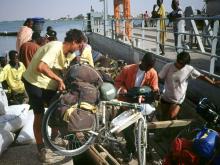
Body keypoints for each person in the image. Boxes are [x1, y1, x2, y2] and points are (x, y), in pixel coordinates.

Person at [22, 29, 84, 163]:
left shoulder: (68, 54)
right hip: (34, 82)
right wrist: (59, 80)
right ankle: (41, 148)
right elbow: (41, 66)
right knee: (39, 115)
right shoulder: (55, 47)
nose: (79, 49)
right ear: (74, 42)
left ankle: (54, 138)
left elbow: (69, 69)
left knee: (57, 109)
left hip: (48, 84)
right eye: (79, 46)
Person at [114, 52, 159, 161]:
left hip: (142, 103)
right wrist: (123, 90)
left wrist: (154, 94)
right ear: (142, 62)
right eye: (147, 66)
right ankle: (130, 149)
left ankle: (146, 150)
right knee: (125, 127)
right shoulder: (128, 69)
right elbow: (118, 82)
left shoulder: (152, 73)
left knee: (144, 128)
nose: (148, 69)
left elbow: (155, 88)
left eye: (150, 67)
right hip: (127, 101)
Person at [158, 51, 219, 120]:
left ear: (186, 64)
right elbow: (159, 77)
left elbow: (201, 76)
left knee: (172, 116)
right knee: (163, 115)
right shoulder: (168, 66)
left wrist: (212, 82)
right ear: (176, 59)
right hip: (166, 96)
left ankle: (175, 126)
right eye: (179, 62)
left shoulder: (189, 69)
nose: (180, 65)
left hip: (178, 99)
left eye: (182, 64)